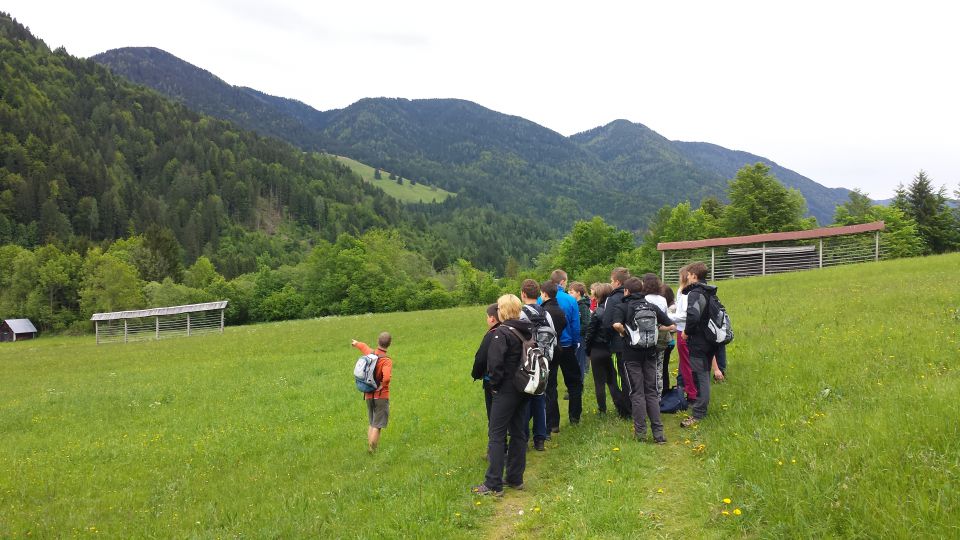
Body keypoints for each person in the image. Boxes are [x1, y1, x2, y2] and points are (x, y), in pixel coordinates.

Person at [472, 294, 534, 496]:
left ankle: (493, 483)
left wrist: (495, 386)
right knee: (518, 432)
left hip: (506, 389)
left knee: (497, 434)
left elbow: (495, 365)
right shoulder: (526, 330)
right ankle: (515, 478)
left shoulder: (502, 333)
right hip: (523, 387)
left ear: (503, 310)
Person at [612, 278, 675, 443]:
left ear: (626, 291)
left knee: (637, 393)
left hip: (631, 355)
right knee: (652, 392)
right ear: (641, 291)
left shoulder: (623, 306)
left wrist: (625, 332)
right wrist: (656, 329)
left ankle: (640, 434)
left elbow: (616, 325)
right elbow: (671, 325)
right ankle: (659, 434)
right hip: (650, 354)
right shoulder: (651, 307)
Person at [680, 262, 720, 428]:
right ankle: (701, 408)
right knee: (703, 373)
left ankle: (698, 413)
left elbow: (693, 316)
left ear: (694, 276)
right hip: (711, 339)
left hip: (699, 341)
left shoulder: (695, 293)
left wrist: (687, 332)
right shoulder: (710, 291)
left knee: (700, 375)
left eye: (688, 274)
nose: (687, 277)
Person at [540, 277, 581, 432]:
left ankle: (553, 423)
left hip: (550, 348)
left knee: (550, 384)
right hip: (567, 344)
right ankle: (575, 417)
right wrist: (576, 342)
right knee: (574, 382)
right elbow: (576, 324)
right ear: (562, 282)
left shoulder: (540, 300)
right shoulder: (570, 300)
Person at [584, 282, 627, 415]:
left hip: (597, 349)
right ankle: (619, 405)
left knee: (599, 382)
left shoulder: (597, 312)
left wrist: (588, 350)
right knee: (613, 380)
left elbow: (590, 334)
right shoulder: (616, 311)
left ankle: (602, 410)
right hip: (612, 349)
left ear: (599, 295)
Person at [519, 279, 551, 451]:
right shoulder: (546, 314)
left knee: (524, 399)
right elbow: (553, 336)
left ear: (523, 294)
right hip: (542, 361)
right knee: (540, 398)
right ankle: (540, 438)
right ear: (539, 294)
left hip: (526, 362)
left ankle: (522, 437)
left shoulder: (521, 314)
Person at [352, 332, 393, 453]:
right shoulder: (386, 360)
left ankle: (370, 447)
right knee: (377, 425)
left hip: (368, 394)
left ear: (378, 341)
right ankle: (372, 450)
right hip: (381, 396)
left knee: (372, 422)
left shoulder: (370, 354)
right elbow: (386, 378)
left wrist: (355, 343)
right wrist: (382, 386)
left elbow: (363, 346)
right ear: (389, 344)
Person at [602, 267, 631, 418]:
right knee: (632, 375)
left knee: (620, 378)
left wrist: (608, 340)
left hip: (617, 344)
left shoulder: (612, 299)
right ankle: (637, 405)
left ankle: (625, 410)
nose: (610, 283)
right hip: (634, 343)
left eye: (611, 281)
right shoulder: (634, 295)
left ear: (618, 282)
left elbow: (607, 323)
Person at [669, 266, 698, 404]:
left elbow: (684, 315)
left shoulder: (685, 292)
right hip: (692, 330)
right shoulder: (693, 291)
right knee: (691, 363)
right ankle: (693, 390)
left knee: (686, 364)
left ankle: (692, 393)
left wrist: (666, 316)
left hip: (684, 330)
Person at [471, 304, 501, 423]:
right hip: (512, 378)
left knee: (493, 412)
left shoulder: (492, 334)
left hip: (492, 380)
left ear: (492, 318)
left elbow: (481, 358)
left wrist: (476, 374)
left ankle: (498, 440)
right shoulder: (510, 329)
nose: (487, 319)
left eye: (487, 317)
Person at [641, 273, 669, 397]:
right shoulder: (662, 299)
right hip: (661, 336)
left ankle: (647, 394)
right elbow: (666, 317)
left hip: (646, 336)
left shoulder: (645, 299)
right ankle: (658, 396)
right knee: (659, 367)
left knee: (646, 367)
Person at [569, 281, 592, 378]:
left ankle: (580, 382)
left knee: (580, 361)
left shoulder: (583, 306)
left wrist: (577, 333)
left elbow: (586, 323)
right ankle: (575, 382)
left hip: (581, 337)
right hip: (575, 337)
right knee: (574, 361)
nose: (569, 294)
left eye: (571, 292)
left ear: (578, 293)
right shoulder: (574, 304)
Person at [661, 282, 676, 396]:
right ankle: (664, 390)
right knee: (663, 367)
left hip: (667, 341)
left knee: (662, 367)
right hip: (670, 342)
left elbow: (672, 327)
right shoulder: (673, 307)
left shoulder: (671, 310)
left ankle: (664, 390)